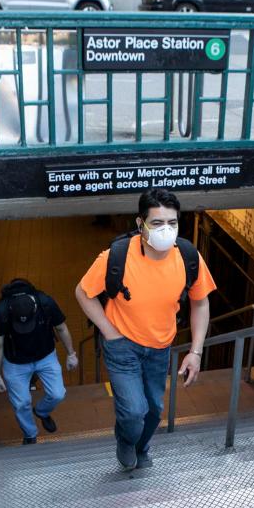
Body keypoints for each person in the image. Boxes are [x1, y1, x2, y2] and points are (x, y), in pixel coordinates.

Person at [75, 189, 216, 471]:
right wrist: (109, 331)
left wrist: (196, 351)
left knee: (154, 409)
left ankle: (141, 446)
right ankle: (126, 441)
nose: (166, 229)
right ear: (140, 224)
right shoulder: (115, 256)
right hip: (122, 346)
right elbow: (83, 292)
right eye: (157, 223)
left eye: (172, 223)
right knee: (133, 410)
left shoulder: (188, 257)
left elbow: (200, 304)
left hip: (160, 348)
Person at [0, 278, 79, 444]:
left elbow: (61, 328)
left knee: (57, 394)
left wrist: (71, 354)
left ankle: (41, 411)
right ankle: (30, 434)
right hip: (15, 362)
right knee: (21, 403)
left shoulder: (45, 302)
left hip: (45, 356)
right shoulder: (1, 311)